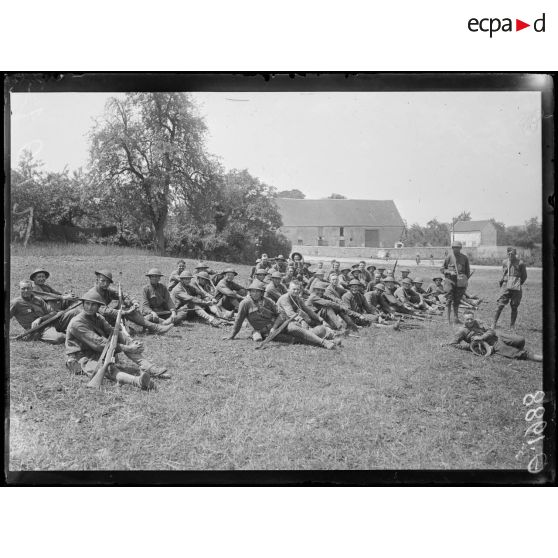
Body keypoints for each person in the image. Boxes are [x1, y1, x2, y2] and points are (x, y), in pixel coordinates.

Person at [65, 289, 169, 390]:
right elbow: (98, 343)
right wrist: (128, 348)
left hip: (98, 351)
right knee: (107, 369)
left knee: (120, 336)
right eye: (87, 303)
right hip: (81, 356)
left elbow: (112, 332)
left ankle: (149, 368)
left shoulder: (98, 317)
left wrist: (131, 341)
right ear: (83, 304)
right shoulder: (77, 323)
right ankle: (137, 381)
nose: (90, 307)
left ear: (98, 307)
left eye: (93, 305)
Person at [93, 269, 173, 335]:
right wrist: (124, 312)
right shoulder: (94, 294)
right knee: (127, 313)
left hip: (107, 317)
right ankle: (155, 327)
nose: (105, 284)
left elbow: (124, 294)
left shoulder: (106, 290)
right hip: (97, 321)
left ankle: (153, 326)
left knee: (127, 305)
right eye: (102, 281)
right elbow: (104, 311)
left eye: (108, 282)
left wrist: (134, 301)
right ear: (97, 280)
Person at [446, 310, 542, 361]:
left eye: (471, 318)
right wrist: (470, 346)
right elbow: (452, 343)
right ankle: (535, 357)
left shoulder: (478, 322)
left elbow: (491, 331)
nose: (470, 321)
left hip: (497, 335)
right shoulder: (462, 331)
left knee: (520, 340)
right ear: (464, 320)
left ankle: (512, 346)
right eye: (467, 319)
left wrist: (481, 337)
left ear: (473, 318)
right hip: (490, 343)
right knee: (514, 352)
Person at [276, 282, 338, 349]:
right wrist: (302, 320)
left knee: (312, 329)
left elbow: (307, 309)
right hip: (282, 323)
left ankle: (328, 337)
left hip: (294, 320)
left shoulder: (297, 298)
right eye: (294, 289)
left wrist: (320, 319)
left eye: (298, 289)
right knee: (294, 328)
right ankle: (323, 342)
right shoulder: (284, 298)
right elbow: (290, 313)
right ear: (289, 289)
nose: (296, 291)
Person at [10, 280, 72, 344]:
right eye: (23, 289)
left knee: (74, 312)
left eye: (28, 288)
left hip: (51, 322)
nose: (26, 290)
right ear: (19, 289)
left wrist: (40, 319)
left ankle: (73, 330)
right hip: (39, 330)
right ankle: (69, 333)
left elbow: (53, 313)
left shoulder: (38, 299)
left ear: (32, 289)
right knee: (60, 338)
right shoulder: (15, 303)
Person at [492, 247, 528, 330]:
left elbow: (524, 276)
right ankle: (494, 324)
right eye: (509, 253)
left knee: (514, 306)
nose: (510, 255)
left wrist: (517, 283)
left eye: (512, 254)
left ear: (515, 254)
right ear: (507, 254)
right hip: (505, 286)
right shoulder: (505, 262)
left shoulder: (521, 263)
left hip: (516, 287)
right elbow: (504, 273)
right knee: (500, 305)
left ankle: (512, 326)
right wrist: (504, 282)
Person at [440, 241, 471, 325]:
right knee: (449, 300)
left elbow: (468, 272)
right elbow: (442, 269)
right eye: (454, 248)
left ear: (460, 248)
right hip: (450, 281)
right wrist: (449, 272)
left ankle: (456, 318)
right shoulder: (449, 257)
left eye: (457, 248)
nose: (455, 249)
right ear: (452, 248)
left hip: (460, 282)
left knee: (457, 301)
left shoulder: (464, 258)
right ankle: (447, 320)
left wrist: (464, 280)